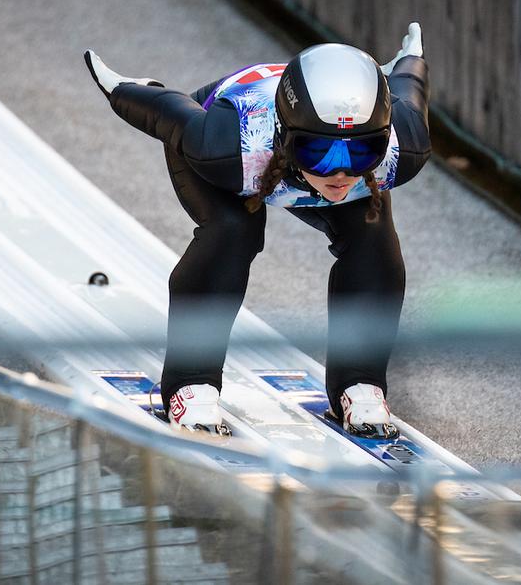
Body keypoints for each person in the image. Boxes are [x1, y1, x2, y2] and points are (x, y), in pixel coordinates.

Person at [84, 23, 430, 438]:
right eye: (317, 151)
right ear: (286, 138)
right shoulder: (230, 145)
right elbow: (166, 111)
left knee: (375, 243)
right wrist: (124, 88)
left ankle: (359, 382)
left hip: (290, 149)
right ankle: (190, 382)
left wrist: (406, 63)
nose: (340, 171)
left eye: (361, 151)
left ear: (383, 139)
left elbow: (408, 89)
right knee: (233, 231)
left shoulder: (402, 146)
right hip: (234, 151)